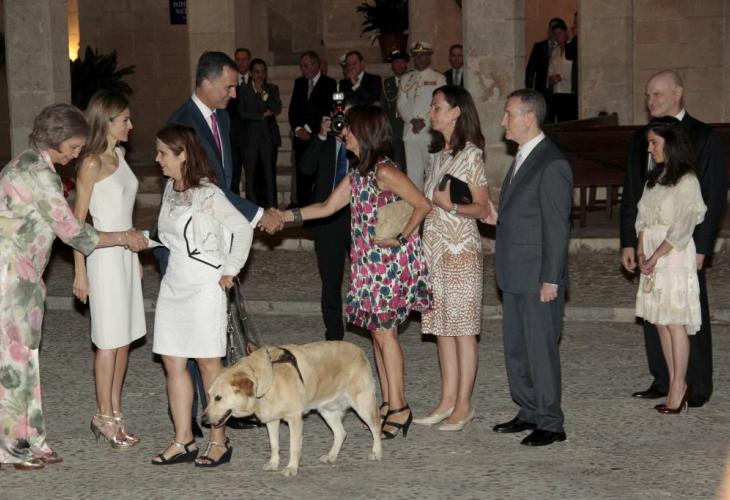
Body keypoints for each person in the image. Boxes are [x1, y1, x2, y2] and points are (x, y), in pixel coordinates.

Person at [0, 103, 146, 470]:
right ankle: (13, 446)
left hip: (24, 276)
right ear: (57, 139)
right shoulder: (37, 173)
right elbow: (72, 231)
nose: (78, 153)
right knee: (14, 364)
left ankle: (32, 440)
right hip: (9, 277)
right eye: (75, 146)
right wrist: (123, 237)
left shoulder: (32, 163)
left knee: (26, 359)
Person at [278, 105, 432, 439]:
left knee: (386, 335)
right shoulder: (359, 171)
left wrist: (401, 237)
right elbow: (326, 207)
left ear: (363, 132)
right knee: (378, 334)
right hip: (367, 263)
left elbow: (423, 204)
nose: (342, 132)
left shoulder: (384, 171)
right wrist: (284, 216)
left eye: (347, 128)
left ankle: (400, 407)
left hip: (388, 265)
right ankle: (388, 401)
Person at [163, 51, 282, 434]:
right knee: (191, 341)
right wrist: (258, 214)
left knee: (212, 333)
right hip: (190, 250)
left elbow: (226, 182)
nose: (234, 93)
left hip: (216, 238)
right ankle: (197, 414)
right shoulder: (182, 123)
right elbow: (209, 184)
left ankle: (218, 406)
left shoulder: (223, 118)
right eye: (229, 86)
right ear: (207, 82)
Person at [620, 70, 727, 407]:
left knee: (685, 314)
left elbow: (712, 194)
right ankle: (663, 379)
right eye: (648, 95)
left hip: (682, 244)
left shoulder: (703, 136)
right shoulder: (642, 138)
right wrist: (629, 241)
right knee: (655, 312)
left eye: (657, 94)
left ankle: (696, 383)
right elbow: (634, 193)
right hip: (650, 240)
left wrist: (703, 247)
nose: (650, 100)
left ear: (677, 93)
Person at [149, 124, 253, 467]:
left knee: (209, 363)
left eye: (163, 153)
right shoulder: (170, 188)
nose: (158, 159)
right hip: (174, 284)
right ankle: (183, 440)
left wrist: (231, 269)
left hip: (205, 285)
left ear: (182, 155)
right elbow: (168, 236)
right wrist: (139, 239)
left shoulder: (208, 194)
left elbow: (241, 228)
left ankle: (219, 441)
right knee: (173, 361)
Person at [487, 89, 572, 447]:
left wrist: (551, 278)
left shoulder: (552, 163)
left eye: (508, 114)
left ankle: (551, 422)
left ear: (529, 117)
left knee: (540, 350)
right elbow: (522, 214)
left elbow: (556, 226)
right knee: (517, 348)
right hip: (514, 272)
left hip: (537, 276)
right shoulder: (524, 156)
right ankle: (529, 409)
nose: (503, 121)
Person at [415, 86, 491, 431]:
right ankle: (447, 399)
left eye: (437, 107)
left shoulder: (471, 155)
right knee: (441, 328)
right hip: (434, 250)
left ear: (456, 112)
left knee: (462, 330)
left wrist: (453, 206)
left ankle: (464, 404)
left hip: (460, 251)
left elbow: (482, 208)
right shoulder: (436, 156)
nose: (431, 113)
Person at [72, 91, 144, 449]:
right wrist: (80, 271)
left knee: (124, 340)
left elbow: (125, 212)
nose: (131, 125)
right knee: (107, 341)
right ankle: (103, 415)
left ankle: (115, 411)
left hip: (125, 257)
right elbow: (76, 224)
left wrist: (136, 258)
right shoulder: (90, 163)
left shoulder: (120, 155)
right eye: (125, 120)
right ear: (107, 122)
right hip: (103, 258)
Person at [635, 117, 707, 414]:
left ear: (671, 143)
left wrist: (656, 256)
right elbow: (643, 218)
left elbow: (682, 227)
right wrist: (641, 251)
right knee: (660, 320)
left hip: (673, 255)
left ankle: (679, 386)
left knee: (675, 321)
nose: (649, 149)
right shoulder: (655, 178)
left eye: (654, 142)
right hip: (652, 252)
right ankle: (673, 380)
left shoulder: (687, 180)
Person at [298, 107, 354, 341]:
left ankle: (371, 323)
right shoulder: (325, 142)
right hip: (327, 219)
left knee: (366, 274)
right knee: (330, 279)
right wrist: (321, 136)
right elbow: (305, 168)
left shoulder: (361, 144)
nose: (342, 124)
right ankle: (334, 334)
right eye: (339, 119)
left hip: (357, 217)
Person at [288, 50, 337, 206]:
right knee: (302, 177)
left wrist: (308, 128)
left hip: (317, 138)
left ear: (316, 65)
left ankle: (318, 208)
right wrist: (297, 128)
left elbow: (326, 110)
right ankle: (302, 209)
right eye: (301, 66)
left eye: (306, 66)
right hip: (301, 139)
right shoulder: (299, 83)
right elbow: (293, 109)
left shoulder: (329, 83)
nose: (303, 69)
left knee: (318, 177)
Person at [397, 41, 447, 191]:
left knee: (432, 172)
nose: (418, 59)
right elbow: (401, 104)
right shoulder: (406, 78)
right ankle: (416, 203)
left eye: (422, 56)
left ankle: (433, 203)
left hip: (429, 131)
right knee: (413, 175)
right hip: (410, 132)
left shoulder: (439, 78)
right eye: (416, 56)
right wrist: (412, 120)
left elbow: (439, 104)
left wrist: (424, 121)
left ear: (429, 57)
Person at [238, 57, 282, 208]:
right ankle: (252, 210)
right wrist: (261, 116)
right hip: (249, 139)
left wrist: (262, 92)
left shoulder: (272, 88)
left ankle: (272, 208)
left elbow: (276, 108)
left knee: (269, 175)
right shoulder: (243, 89)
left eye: (263, 71)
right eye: (257, 72)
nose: (260, 75)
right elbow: (242, 113)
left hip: (267, 138)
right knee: (250, 177)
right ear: (251, 73)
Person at [525, 17, 564, 121]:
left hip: (560, 90)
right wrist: (530, 91)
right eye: (551, 28)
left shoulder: (564, 47)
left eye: (556, 29)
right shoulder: (539, 46)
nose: (553, 32)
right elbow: (530, 69)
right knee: (545, 120)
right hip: (543, 90)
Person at [227, 47, 252, 195]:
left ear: (249, 61)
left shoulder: (256, 79)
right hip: (234, 136)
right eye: (238, 59)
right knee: (234, 175)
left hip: (252, 136)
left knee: (252, 176)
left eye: (244, 59)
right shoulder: (230, 81)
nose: (241, 63)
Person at [380, 49, 409, 171]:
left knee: (411, 164)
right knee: (397, 164)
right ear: (392, 65)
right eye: (396, 62)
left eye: (402, 62)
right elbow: (383, 108)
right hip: (393, 130)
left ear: (406, 64)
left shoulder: (412, 80)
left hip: (409, 128)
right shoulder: (387, 83)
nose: (399, 65)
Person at [547, 19, 577, 122]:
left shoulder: (572, 48)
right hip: (557, 92)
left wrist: (562, 76)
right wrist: (551, 78)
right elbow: (550, 69)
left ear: (566, 33)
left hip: (569, 92)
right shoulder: (555, 51)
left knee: (570, 121)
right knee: (560, 122)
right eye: (555, 34)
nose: (557, 36)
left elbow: (574, 69)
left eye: (559, 33)